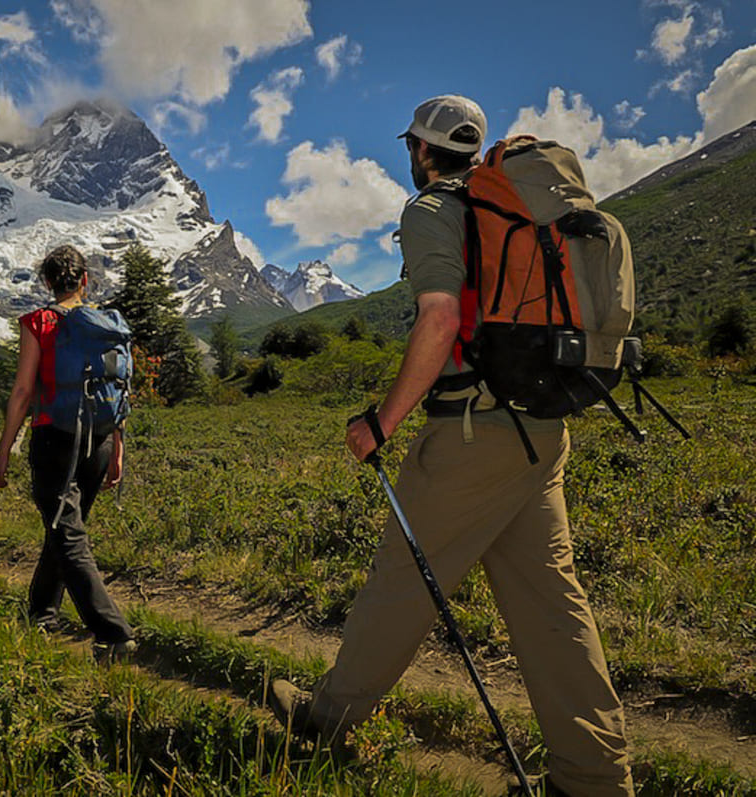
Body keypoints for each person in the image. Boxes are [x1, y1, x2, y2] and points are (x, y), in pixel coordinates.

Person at [270, 96, 634, 797]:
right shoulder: (512, 206)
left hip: (470, 436)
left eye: (411, 148)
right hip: (542, 428)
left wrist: (381, 421)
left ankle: (326, 720)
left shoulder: (433, 209)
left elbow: (438, 318)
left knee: (399, 583)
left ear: (421, 151)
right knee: (552, 603)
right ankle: (595, 777)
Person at [0, 244, 137, 663]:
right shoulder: (108, 325)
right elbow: (121, 393)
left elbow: (22, 392)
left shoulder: (40, 322)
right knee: (63, 531)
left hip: (55, 438)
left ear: (48, 282)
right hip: (102, 440)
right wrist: (118, 451)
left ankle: (113, 633)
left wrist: (3, 451)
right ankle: (41, 614)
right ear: (85, 280)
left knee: (67, 536)